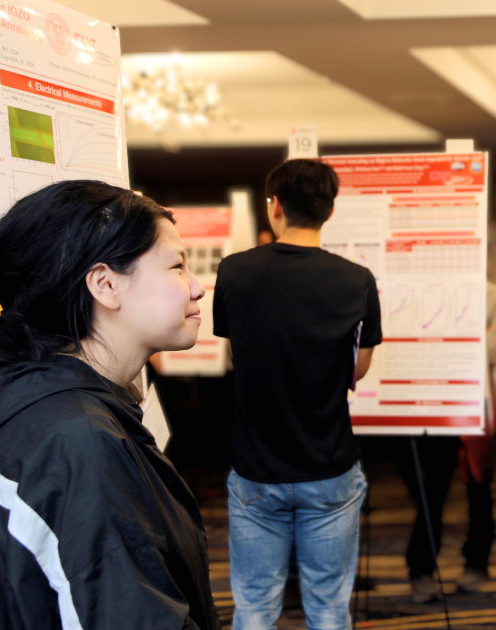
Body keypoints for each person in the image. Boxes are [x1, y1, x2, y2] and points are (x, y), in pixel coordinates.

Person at [0, 181, 220, 629]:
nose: (196, 288)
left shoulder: (33, 406)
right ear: (105, 284)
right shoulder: (81, 441)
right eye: (176, 266)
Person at [214, 159, 379, 630]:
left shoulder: (235, 271)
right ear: (328, 211)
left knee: (254, 607)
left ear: (276, 207)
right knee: (328, 608)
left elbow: (236, 355)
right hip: (329, 465)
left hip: (255, 469)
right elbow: (358, 369)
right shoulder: (357, 279)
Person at [400, 282, 496, 603]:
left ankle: (477, 561)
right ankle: (421, 567)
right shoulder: (431, 292)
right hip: (435, 402)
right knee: (433, 488)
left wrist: (444, 347)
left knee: (479, 486)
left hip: (479, 406)